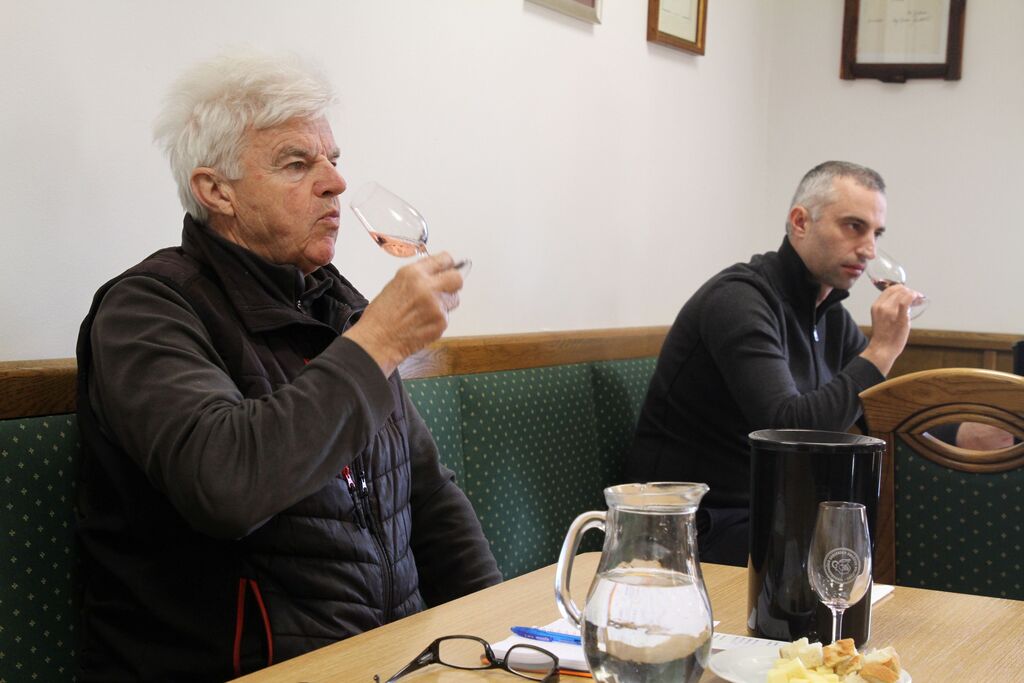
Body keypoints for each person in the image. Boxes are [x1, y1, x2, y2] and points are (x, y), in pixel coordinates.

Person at [73, 51, 501, 681]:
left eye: (333, 159)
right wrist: (378, 341)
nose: (336, 183)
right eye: (298, 164)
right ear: (216, 190)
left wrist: (497, 636)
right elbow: (225, 486)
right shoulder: (146, 309)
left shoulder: (337, 303)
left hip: (392, 661)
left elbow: (428, 493)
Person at [626, 161, 921, 566]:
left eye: (876, 233)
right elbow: (786, 432)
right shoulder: (738, 299)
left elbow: (883, 409)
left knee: (881, 541)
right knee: (841, 565)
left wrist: (962, 433)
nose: (869, 249)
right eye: (854, 227)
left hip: (768, 517)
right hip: (684, 527)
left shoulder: (830, 315)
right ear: (800, 222)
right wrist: (882, 349)